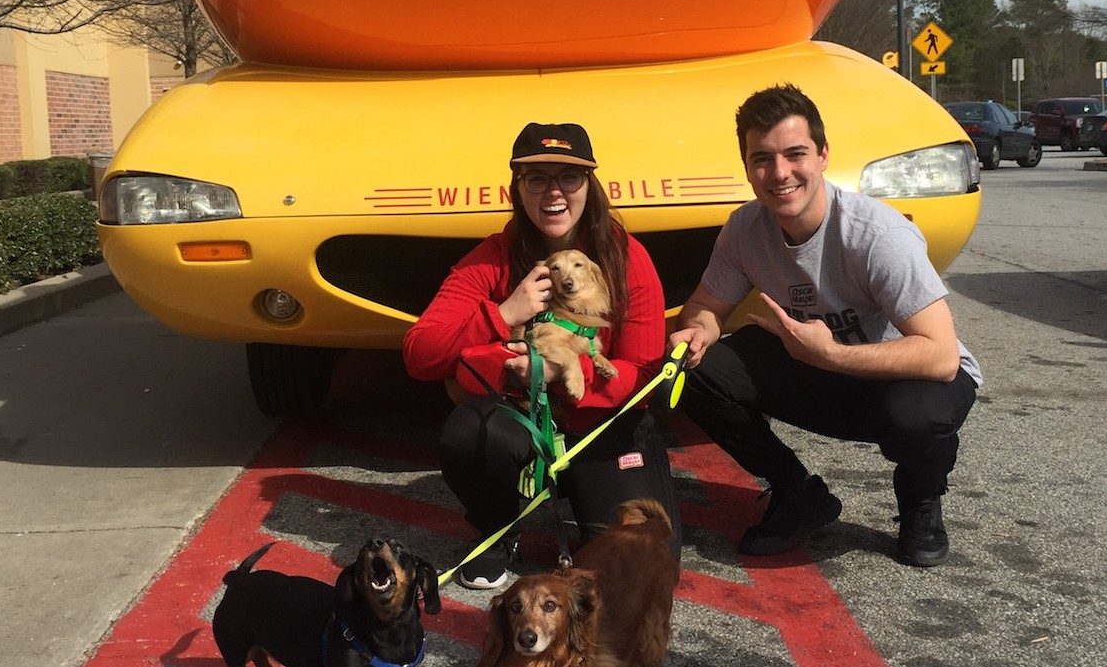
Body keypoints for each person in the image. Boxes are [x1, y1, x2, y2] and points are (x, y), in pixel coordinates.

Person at [668, 84, 980, 567]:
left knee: (919, 415)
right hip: (818, 368)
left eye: (796, 155)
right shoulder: (744, 228)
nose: (780, 174)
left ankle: (921, 499)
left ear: (823, 155)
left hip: (903, 378)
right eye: (762, 159)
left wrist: (831, 354)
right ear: (748, 166)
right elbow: (706, 305)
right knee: (695, 370)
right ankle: (798, 493)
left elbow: (941, 356)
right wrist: (700, 329)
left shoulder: (878, 234)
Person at [403, 121, 681, 588]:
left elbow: (642, 375)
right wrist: (504, 312)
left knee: (643, 566)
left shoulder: (626, 257)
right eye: (537, 178)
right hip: (527, 428)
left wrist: (561, 373)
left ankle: (585, 495)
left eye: (568, 177)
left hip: (601, 426)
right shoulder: (493, 257)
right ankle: (497, 527)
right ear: (519, 188)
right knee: (473, 430)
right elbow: (420, 354)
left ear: (589, 186)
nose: (554, 192)